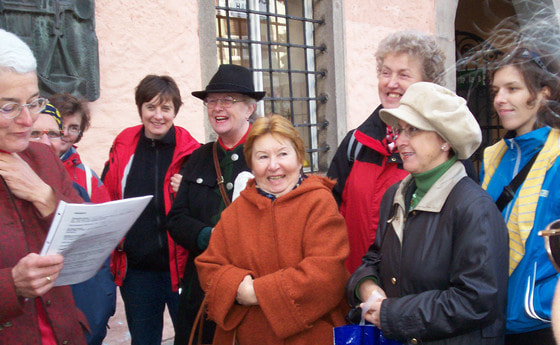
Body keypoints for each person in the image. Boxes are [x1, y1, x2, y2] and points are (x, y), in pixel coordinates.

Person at [346, 82, 509, 344]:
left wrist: (390, 313)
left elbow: (476, 300)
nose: (400, 140)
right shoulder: (395, 195)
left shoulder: (474, 207)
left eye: (413, 130)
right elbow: (376, 258)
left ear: (445, 139)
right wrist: (366, 285)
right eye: (399, 130)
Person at [327, 30, 478, 274]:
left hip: (414, 301)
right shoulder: (355, 143)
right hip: (355, 290)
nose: (391, 82)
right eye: (385, 72)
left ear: (427, 84)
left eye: (403, 74)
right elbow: (330, 211)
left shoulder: (446, 148)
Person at [195, 114, 349, 344]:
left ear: (299, 158)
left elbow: (326, 275)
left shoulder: (319, 202)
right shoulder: (237, 209)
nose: (273, 165)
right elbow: (209, 266)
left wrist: (255, 293)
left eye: (283, 154)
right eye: (262, 157)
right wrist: (236, 285)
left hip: (310, 336)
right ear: (251, 163)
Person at [166, 64, 265, 344]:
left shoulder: (268, 156)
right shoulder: (199, 157)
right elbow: (176, 219)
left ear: (249, 109)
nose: (217, 108)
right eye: (212, 101)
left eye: (227, 100)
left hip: (251, 288)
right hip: (203, 290)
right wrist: (207, 236)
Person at [0, 28, 87, 344]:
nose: (28, 120)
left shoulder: (42, 157)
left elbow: (86, 237)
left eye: (33, 102)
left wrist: (42, 194)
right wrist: (12, 285)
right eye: (9, 107)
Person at [101, 74, 200, 345]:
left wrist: (188, 192)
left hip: (182, 268)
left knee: (191, 339)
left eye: (166, 108)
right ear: (140, 109)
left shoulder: (193, 153)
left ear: (175, 111)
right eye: (151, 107)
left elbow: (205, 209)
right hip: (138, 272)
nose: (158, 115)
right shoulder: (123, 146)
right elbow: (107, 197)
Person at [481, 46, 560, 344]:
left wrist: (542, 301)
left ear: (544, 93)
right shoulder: (493, 158)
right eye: (496, 90)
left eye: (512, 88)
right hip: (493, 322)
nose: (500, 99)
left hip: (543, 325)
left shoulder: (558, 157)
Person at [37, 95, 117, 345]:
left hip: (76, 305)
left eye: (53, 134)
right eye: (35, 134)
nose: (48, 142)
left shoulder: (85, 179)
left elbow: (102, 239)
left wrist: (100, 308)